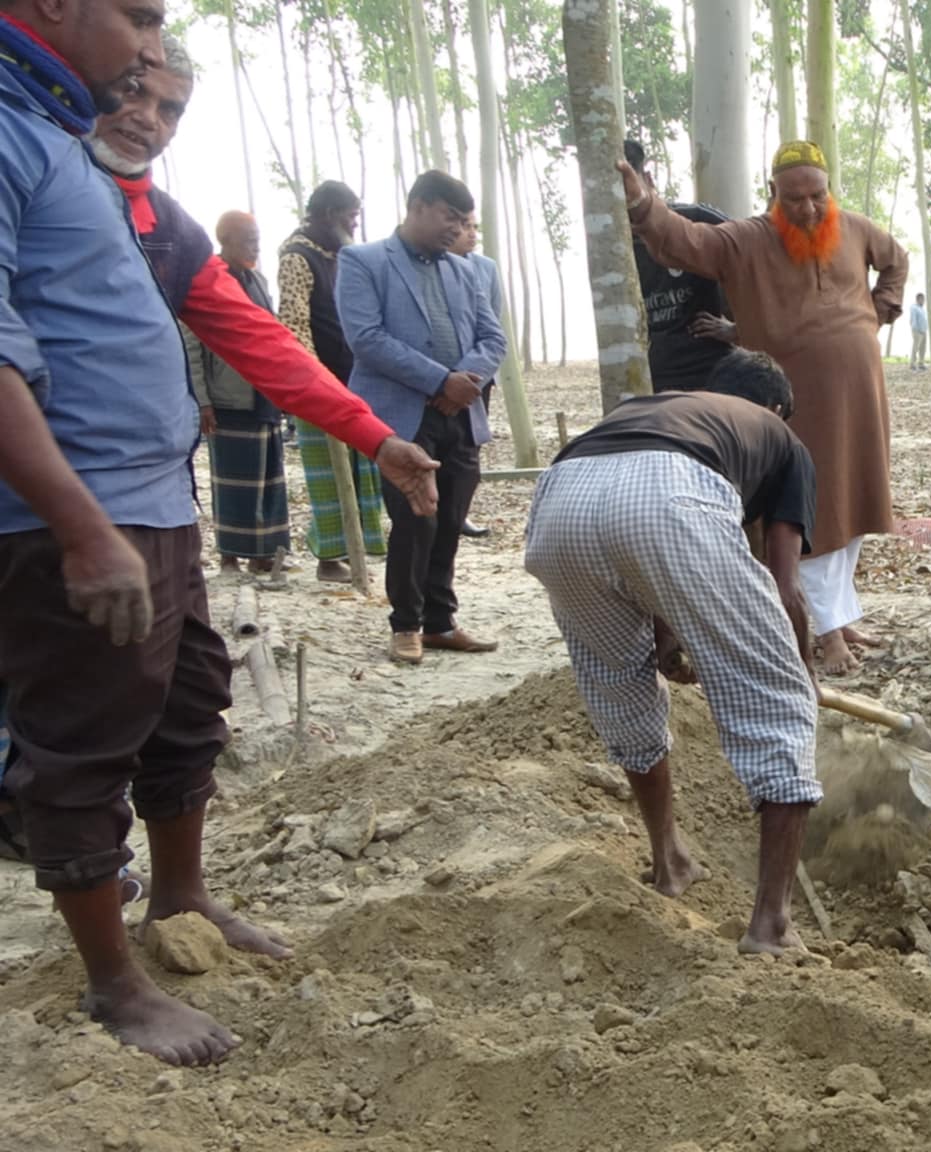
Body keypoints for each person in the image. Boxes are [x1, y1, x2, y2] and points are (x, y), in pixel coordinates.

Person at [0, 9, 437, 1067]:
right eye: (135, 65)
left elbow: (252, 337)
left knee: (189, 700)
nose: (144, 109)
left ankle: (181, 901)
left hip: (157, 504)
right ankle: (114, 984)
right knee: (84, 737)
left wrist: (375, 436)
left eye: (168, 99)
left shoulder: (129, 199)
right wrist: (78, 525)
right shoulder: (23, 140)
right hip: (82, 511)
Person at [525, 350, 821, 954]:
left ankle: (670, 863)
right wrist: (801, 671)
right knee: (779, 704)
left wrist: (669, 635)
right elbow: (784, 585)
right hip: (669, 497)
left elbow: (637, 544)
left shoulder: (661, 411)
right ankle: (771, 926)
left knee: (620, 686)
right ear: (778, 409)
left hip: (557, 508)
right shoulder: (784, 441)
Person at [620, 140, 909, 677]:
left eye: (817, 196)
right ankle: (826, 634)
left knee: (853, 507)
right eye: (793, 198)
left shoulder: (856, 227)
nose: (807, 209)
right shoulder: (747, 239)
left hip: (860, 395)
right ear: (773, 194)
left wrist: (880, 309)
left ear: (829, 189)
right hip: (792, 400)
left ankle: (841, 618)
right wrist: (643, 207)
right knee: (810, 511)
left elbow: (896, 260)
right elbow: (685, 241)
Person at [339, 170, 507, 665]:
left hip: (461, 412)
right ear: (416, 207)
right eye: (448, 218)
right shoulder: (364, 261)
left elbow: (492, 338)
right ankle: (406, 624)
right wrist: (439, 381)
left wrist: (465, 380)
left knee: (452, 516)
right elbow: (366, 338)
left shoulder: (465, 270)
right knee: (416, 521)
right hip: (402, 417)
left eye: (462, 221)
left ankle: (439, 622)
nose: (456, 229)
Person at [280, 181, 386, 585]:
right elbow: (293, 323)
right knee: (328, 474)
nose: (354, 224)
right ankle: (330, 559)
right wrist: (318, 383)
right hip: (322, 385)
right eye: (349, 216)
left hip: (359, 380)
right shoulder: (297, 256)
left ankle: (360, 547)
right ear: (327, 214)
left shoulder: (349, 257)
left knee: (364, 470)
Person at [184, 211, 291, 573]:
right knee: (232, 481)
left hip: (262, 396)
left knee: (267, 477)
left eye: (257, 239)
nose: (255, 246)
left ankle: (264, 553)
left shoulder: (258, 280)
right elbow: (192, 347)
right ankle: (230, 552)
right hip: (227, 398)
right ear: (225, 241)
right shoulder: (208, 281)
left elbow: (272, 336)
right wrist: (202, 401)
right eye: (247, 240)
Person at [625, 139, 739, 393]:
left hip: (712, 375)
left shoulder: (698, 219)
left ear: (648, 179)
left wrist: (737, 330)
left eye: (628, 187)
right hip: (655, 381)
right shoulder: (614, 248)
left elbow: (751, 265)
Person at [451, 212, 496, 540]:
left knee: (470, 447)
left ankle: (460, 512)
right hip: (436, 379)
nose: (472, 233)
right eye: (465, 227)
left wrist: (472, 375)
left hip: (477, 378)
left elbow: (492, 328)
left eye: (475, 227)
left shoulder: (486, 269)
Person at [908, 292, 929, 369]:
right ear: (918, 299)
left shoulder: (922, 308)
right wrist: (915, 330)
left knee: (923, 348)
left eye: (924, 300)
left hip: (924, 330)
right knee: (916, 347)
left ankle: (921, 363)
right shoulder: (914, 307)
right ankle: (912, 364)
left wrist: (925, 329)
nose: (923, 301)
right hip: (917, 331)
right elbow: (913, 320)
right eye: (922, 299)